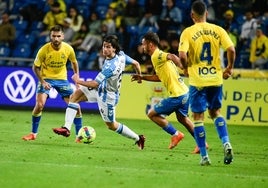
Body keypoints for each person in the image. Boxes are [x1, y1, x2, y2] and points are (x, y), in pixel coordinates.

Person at [52, 35, 145, 149]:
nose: (105, 49)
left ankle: (138, 138)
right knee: (75, 97)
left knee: (111, 125)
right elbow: (136, 63)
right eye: (104, 46)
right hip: (100, 89)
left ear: (114, 49)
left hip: (108, 96)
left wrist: (78, 81)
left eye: (108, 47)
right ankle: (66, 128)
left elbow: (95, 83)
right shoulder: (121, 55)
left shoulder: (111, 66)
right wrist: (139, 77)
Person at [178, 0, 235, 165]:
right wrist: (229, 67)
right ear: (207, 14)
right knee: (216, 113)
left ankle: (204, 156)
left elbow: (182, 55)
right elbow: (231, 49)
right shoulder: (218, 30)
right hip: (216, 79)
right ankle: (226, 143)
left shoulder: (188, 32)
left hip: (198, 80)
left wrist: (186, 68)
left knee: (198, 117)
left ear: (192, 15)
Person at [131, 32, 200, 151]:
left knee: (152, 114)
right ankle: (202, 144)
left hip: (177, 95)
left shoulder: (157, 55)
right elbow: (159, 77)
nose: (143, 47)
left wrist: (183, 66)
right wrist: (142, 77)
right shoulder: (156, 58)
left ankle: (176, 134)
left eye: (144, 44)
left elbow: (172, 56)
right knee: (183, 119)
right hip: (184, 92)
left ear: (150, 45)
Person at [22, 25, 82, 141]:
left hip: (62, 80)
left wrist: (77, 77)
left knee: (76, 107)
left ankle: (79, 136)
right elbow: (35, 67)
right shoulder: (43, 50)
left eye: (58, 36)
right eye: (53, 36)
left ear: (63, 36)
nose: (56, 39)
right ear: (50, 36)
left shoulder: (68, 49)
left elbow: (74, 62)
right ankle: (33, 134)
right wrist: (42, 81)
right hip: (46, 79)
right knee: (39, 105)